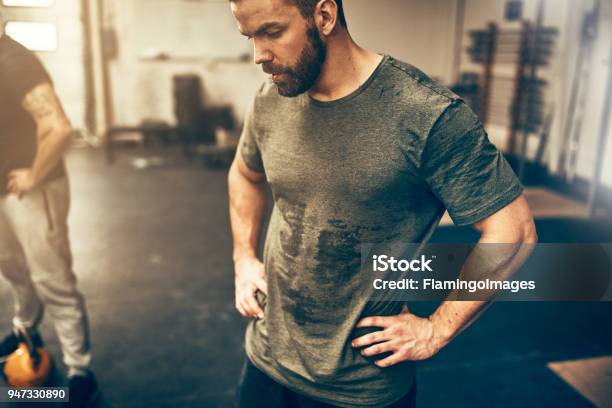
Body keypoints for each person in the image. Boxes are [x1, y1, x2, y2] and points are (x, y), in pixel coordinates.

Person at [227, 0, 538, 407]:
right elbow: (245, 173)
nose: (258, 57)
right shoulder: (271, 97)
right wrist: (243, 258)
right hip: (266, 362)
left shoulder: (426, 114)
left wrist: (436, 330)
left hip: (360, 388)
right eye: (250, 37)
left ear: (323, 16)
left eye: (271, 32)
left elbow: (513, 230)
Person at [0, 28, 98, 407]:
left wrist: (33, 174)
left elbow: (58, 128)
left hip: (32, 189)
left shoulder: (13, 60)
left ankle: (79, 370)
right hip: (2, 189)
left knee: (51, 279)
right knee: (13, 269)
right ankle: (26, 331)